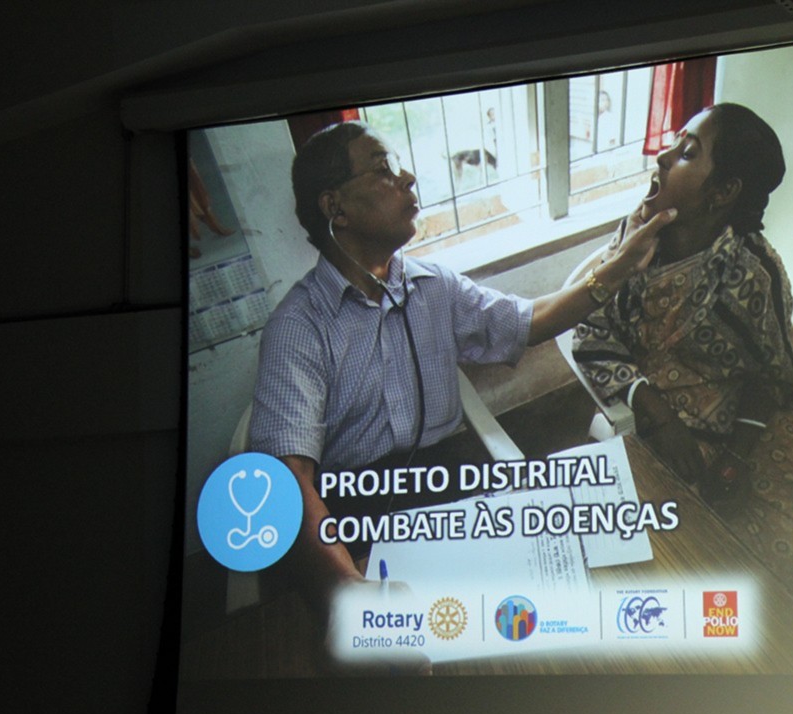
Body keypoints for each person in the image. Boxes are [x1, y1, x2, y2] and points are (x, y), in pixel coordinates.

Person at [249, 120, 677, 602]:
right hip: (352, 516)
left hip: (446, 485)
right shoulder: (298, 327)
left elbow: (529, 322)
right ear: (335, 208)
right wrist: (348, 587)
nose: (407, 178)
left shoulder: (434, 286)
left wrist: (619, 265)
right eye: (383, 169)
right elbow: (288, 478)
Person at [572, 103, 793, 578]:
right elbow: (590, 330)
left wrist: (736, 458)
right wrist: (658, 412)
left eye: (687, 152)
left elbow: (772, 377)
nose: (662, 157)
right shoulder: (638, 235)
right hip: (651, 412)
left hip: (741, 421)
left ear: (723, 192)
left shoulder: (754, 274)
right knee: (671, 550)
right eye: (674, 144)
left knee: (791, 543)